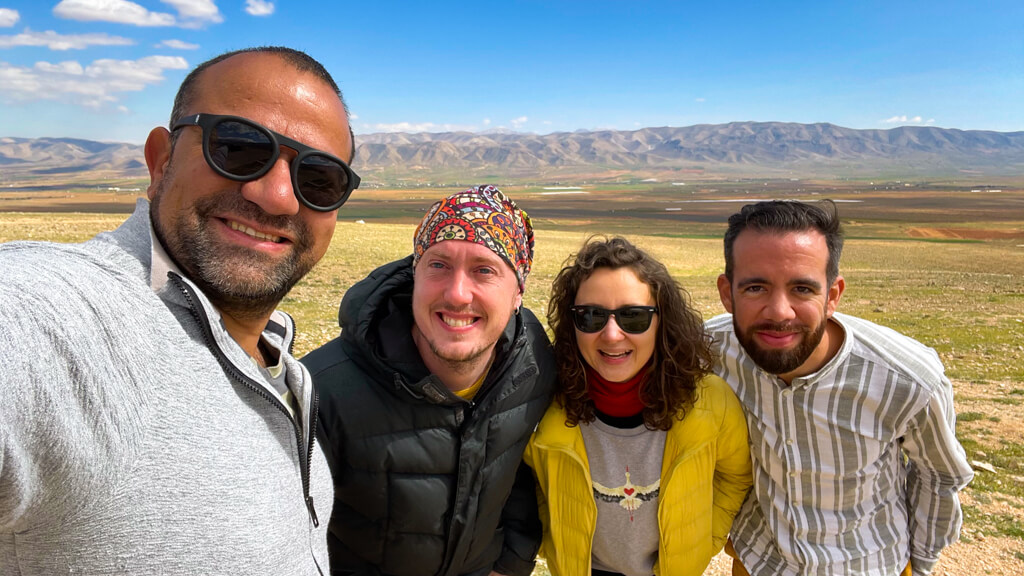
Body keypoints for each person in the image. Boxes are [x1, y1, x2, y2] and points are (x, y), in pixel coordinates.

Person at [0, 46, 359, 574]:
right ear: (160, 159)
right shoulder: (62, 321)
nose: (278, 196)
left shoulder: (283, 364)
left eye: (320, 179)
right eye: (238, 148)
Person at [707, 200, 975, 576]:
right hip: (758, 563)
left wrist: (923, 563)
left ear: (832, 295)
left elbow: (941, 474)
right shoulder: (709, 351)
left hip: (868, 565)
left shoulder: (907, 379)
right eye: (755, 287)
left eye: (802, 288)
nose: (779, 311)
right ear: (726, 292)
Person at [303, 185, 555, 576]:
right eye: (438, 265)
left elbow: (518, 470)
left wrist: (510, 564)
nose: (457, 294)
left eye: (484, 270)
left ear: (518, 292)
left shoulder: (533, 366)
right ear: (414, 274)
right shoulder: (320, 393)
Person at [523, 236, 752, 576]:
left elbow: (735, 477)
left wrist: (702, 542)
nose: (612, 334)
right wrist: (555, 541)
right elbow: (529, 485)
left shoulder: (710, 401)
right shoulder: (544, 407)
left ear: (662, 322)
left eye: (633, 317)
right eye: (590, 316)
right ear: (572, 326)